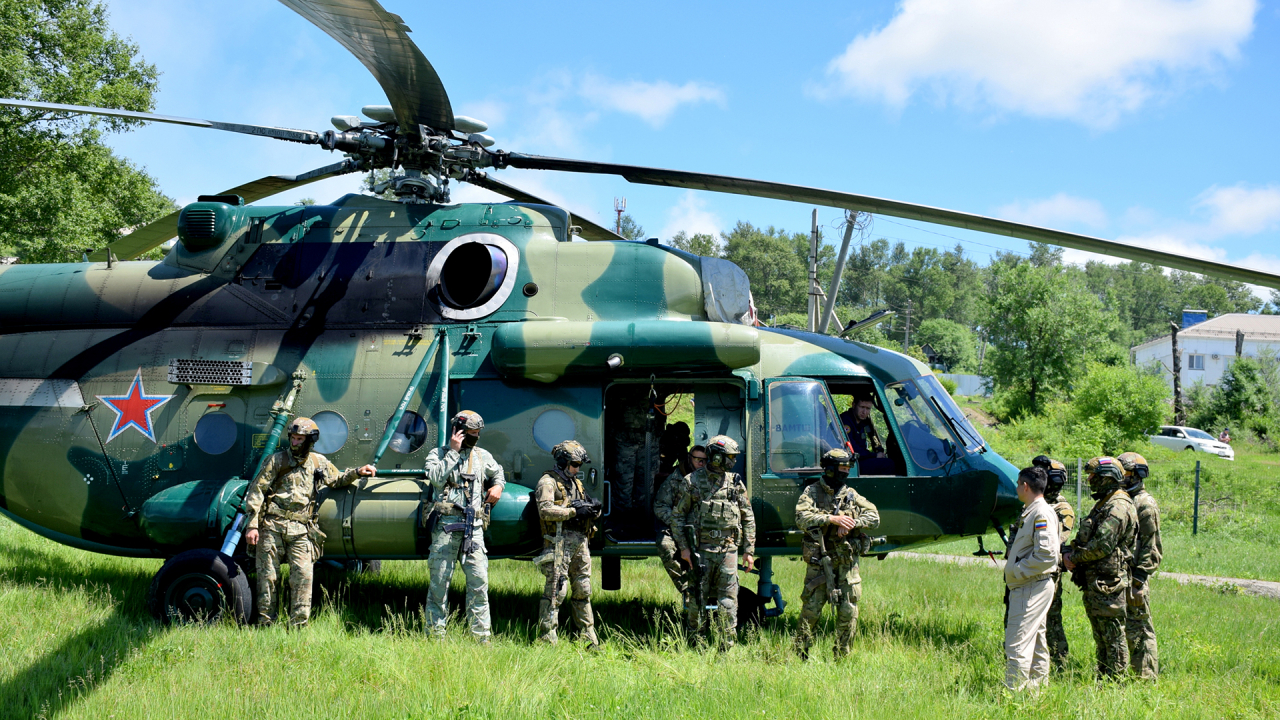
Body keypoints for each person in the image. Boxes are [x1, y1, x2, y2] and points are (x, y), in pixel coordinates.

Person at [244, 417, 376, 627]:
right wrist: (252, 525)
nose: (295, 443)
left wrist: (358, 472)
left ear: (309, 440)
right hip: (271, 527)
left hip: (301, 529)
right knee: (267, 579)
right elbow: (256, 491)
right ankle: (266, 624)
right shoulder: (276, 461)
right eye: (293, 438)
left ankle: (298, 626)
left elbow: (337, 479)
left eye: (300, 439)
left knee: (303, 578)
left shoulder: (318, 462)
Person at [423, 410, 505, 642]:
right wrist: (453, 452)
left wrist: (498, 486)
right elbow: (436, 478)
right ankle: (434, 637)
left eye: (478, 433)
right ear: (458, 432)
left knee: (479, 584)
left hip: (474, 528)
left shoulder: (481, 456)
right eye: (471, 433)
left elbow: (498, 473)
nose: (476, 437)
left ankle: (481, 638)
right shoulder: (438, 454)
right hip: (445, 529)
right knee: (439, 585)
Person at [793, 448, 880, 661]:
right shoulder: (812, 492)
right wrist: (831, 520)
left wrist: (851, 523)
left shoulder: (850, 494)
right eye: (842, 468)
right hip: (820, 562)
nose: (845, 472)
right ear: (830, 469)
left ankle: (842, 657)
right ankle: (800, 654)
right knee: (811, 610)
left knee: (848, 611)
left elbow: (874, 516)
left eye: (847, 468)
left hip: (847, 562)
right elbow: (801, 517)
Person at [672, 435, 755, 649]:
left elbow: (748, 516)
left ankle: (727, 645)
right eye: (729, 457)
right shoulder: (692, 481)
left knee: (728, 601)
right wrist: (684, 548)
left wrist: (749, 550)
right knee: (697, 599)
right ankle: (695, 643)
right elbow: (678, 517)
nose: (733, 461)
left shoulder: (735, 482)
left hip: (728, 551)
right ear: (716, 457)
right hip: (701, 551)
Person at [1064, 456, 1137, 680]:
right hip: (1098, 582)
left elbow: (1102, 546)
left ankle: (1117, 684)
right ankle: (1104, 680)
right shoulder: (1106, 502)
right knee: (1102, 637)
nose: (1089, 479)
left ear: (1108, 479)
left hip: (1108, 583)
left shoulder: (1118, 506)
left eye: (1094, 476)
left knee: (1113, 638)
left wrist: (1074, 558)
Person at [534, 440, 602, 647]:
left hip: (580, 543)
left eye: (579, 465)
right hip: (559, 543)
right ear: (563, 462)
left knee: (583, 589)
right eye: (574, 464)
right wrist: (573, 512)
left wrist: (592, 509)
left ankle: (587, 638)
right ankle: (547, 639)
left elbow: (585, 506)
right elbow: (544, 510)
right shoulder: (548, 482)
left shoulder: (576, 483)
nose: (577, 468)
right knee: (556, 592)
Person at [1002, 466, 1061, 690]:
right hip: (1032, 585)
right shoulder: (1032, 511)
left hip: (1030, 586)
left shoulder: (1041, 513)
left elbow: (1047, 556)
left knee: (1017, 645)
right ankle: (1036, 693)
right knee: (1036, 643)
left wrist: (1017, 570)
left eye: (1018, 484)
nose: (1017, 488)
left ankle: (1013, 695)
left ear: (1025, 486)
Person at [1117, 451, 1162, 680]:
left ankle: (1145, 677)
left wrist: (1139, 580)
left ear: (1136, 475)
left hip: (1135, 577)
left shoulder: (1144, 504)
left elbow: (1150, 546)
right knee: (1126, 627)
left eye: (1124, 473)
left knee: (1140, 628)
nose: (1121, 477)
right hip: (1122, 575)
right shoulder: (1124, 500)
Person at [1031, 455, 1076, 670]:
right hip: (1027, 571)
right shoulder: (1033, 503)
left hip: (1048, 574)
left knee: (1051, 619)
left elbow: (1052, 544)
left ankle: (1060, 662)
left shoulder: (1061, 509)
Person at [654, 445, 706, 603]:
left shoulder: (711, 479)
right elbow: (660, 506)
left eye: (705, 460)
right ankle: (686, 589)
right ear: (690, 458)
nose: (701, 463)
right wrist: (677, 522)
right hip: (677, 526)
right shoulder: (676, 478)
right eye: (698, 460)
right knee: (664, 545)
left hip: (703, 528)